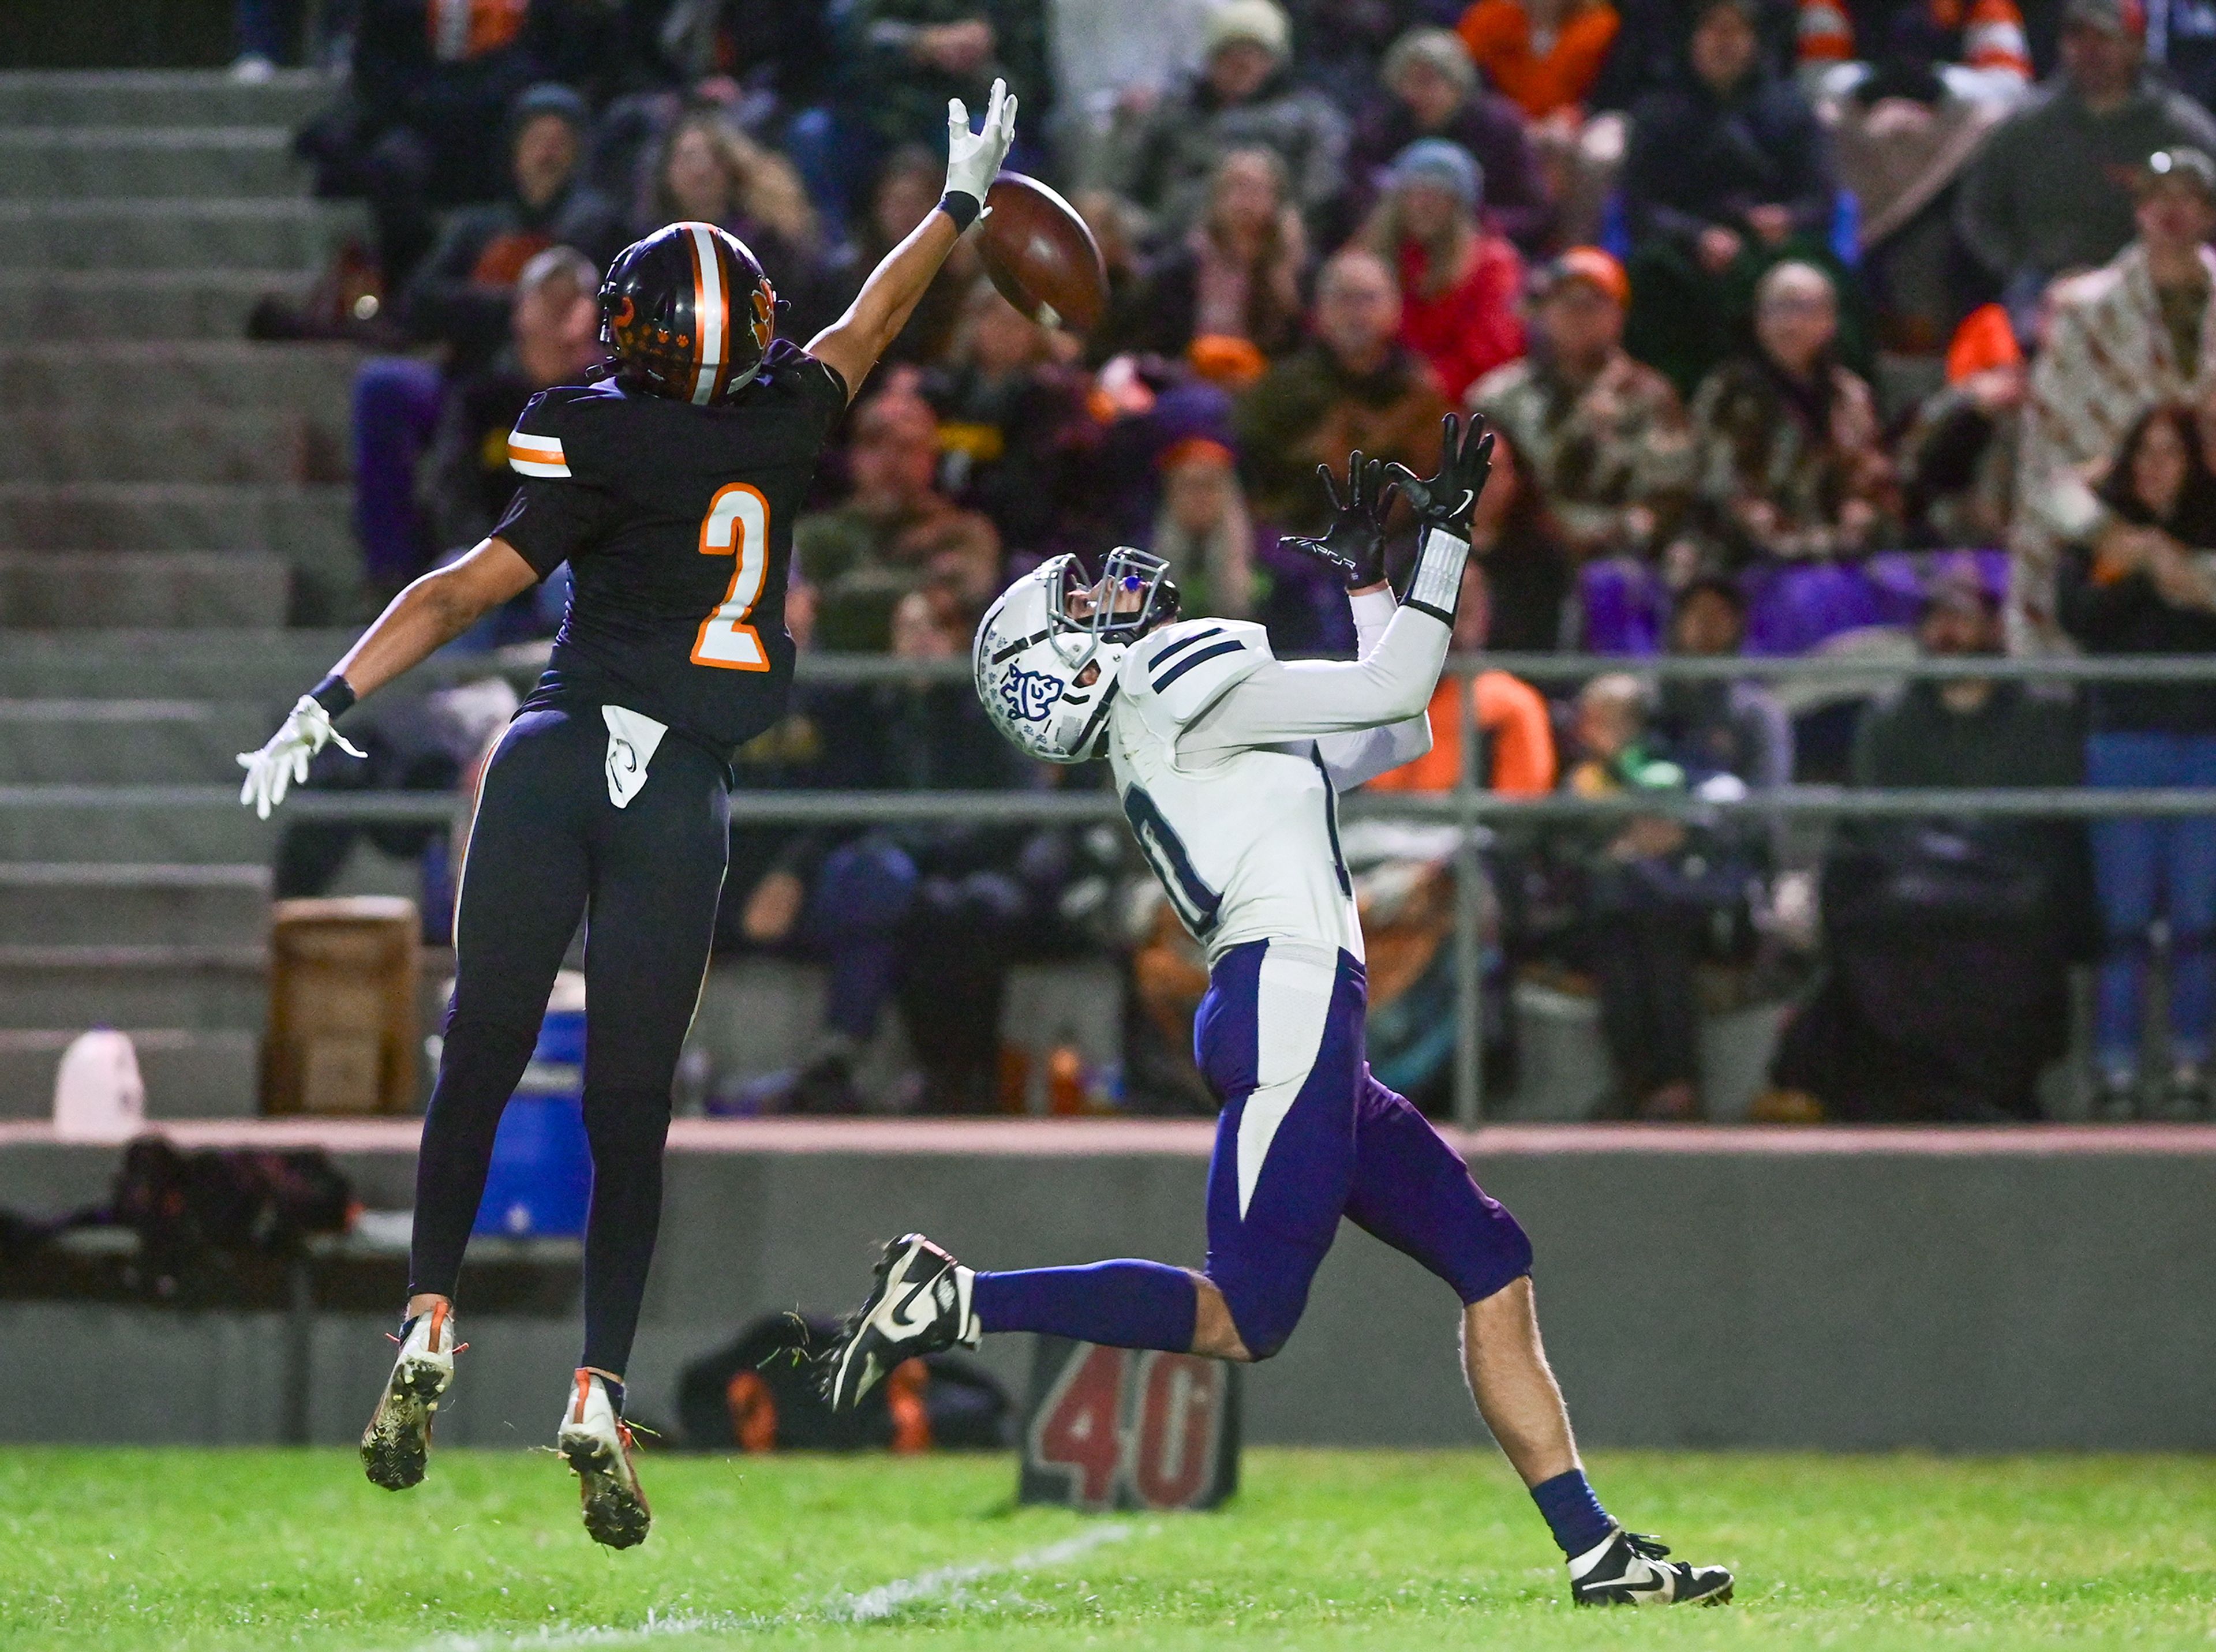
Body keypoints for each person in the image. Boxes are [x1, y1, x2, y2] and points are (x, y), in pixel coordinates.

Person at [235, 81, 1021, 1546]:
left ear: (630, 337)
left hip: (553, 754)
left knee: (478, 1056)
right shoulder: (786, 417)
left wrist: (325, 703)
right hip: (682, 794)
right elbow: (869, 323)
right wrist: (956, 205)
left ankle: (426, 1318)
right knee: (630, 1114)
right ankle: (597, 1383)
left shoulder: (578, 431)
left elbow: (463, 587)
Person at [822, 422, 1735, 1608]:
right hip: (1289, 993)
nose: (1106, 594)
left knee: (1490, 1259)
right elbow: (1403, 685)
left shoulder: (1175, 722)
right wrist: (1447, 540)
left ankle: (1596, 1548)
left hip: (1303, 1008)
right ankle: (956, 1299)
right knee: (1243, 1317)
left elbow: (1390, 729)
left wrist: (1369, 584)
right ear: (1070, 669)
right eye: (1078, 604)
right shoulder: (1166, 679)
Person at [1771, 575, 2084, 1120]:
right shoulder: (1890, 717)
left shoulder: (2037, 718)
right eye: (1938, 618)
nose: (1949, 633)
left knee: (2005, 926)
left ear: (1991, 629)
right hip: (1910, 884)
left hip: (2007, 889)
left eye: (1962, 617)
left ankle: (1984, 1087)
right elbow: (1874, 821)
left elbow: (2044, 823)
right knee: (1886, 922)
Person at [2058, 404, 2216, 1118]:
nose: (2156, 468)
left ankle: (2190, 1064)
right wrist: (2133, 563)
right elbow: (2079, 615)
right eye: (2143, 453)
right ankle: (2114, 1070)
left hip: (2205, 742)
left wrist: (2174, 568)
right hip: (2122, 738)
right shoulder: (2102, 536)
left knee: (2198, 914)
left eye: (2171, 453)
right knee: (2122, 916)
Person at [2013, 148, 2216, 652]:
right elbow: (2050, 452)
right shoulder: (2087, 315)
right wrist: (2108, 532)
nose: (2173, 210)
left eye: (2189, 198)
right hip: (2112, 560)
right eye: (2157, 197)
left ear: (2209, 213)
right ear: (2138, 210)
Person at [1619, 0, 1840, 394]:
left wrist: (1786, 219)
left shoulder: (1791, 110)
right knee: (1652, 277)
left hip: (1770, 247)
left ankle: (1829, 407)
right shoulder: (1656, 112)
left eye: (1736, 32)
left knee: (1816, 281)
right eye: (1713, 31)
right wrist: (1696, 236)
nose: (1725, 43)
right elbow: (1640, 203)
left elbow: (1821, 198)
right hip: (1686, 250)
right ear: (1692, 39)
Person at [1955, 0, 2216, 317]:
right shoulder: (2025, 127)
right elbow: (1977, 210)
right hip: (2046, 283)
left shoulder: (2179, 127)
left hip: (2157, 281)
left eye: (2104, 37)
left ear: (2135, 45)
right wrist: (2018, 266)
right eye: (2077, 36)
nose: (2089, 50)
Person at [1469, 246, 1694, 578]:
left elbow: (1670, 497)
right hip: (1517, 556)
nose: (1578, 315)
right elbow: (1473, 488)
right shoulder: (1499, 396)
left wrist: (1606, 537)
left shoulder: (1650, 397)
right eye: (1565, 303)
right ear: (1544, 313)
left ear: (1619, 315)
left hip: (1615, 556)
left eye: (1593, 304)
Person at [399, 83, 629, 369]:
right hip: (478, 369)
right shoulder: (477, 227)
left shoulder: (601, 228)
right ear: (515, 150)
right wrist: (514, 302)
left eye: (560, 142)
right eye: (537, 140)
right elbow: (418, 301)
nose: (547, 153)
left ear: (578, 155)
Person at [1689, 261, 1895, 567]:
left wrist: (1862, 509)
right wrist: (1759, 521)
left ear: (1830, 321)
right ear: (1758, 320)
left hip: (1837, 555)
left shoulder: (1849, 395)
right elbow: (1716, 487)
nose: (1789, 323)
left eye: (1803, 309)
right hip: (1747, 560)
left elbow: (1871, 476)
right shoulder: (1727, 392)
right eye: (1776, 309)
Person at [1236, 248, 1449, 531]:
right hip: (1296, 540)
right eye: (1344, 299)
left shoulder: (1420, 392)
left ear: (1395, 310)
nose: (1357, 313)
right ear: (1320, 311)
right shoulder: (1282, 390)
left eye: (1369, 299)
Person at [1104, 0, 1350, 236]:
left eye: (1255, 54)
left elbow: (1321, 192)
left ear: (1276, 63)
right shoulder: (1174, 113)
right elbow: (1125, 183)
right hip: (1169, 238)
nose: (1242, 63)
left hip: (1268, 241)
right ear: (1211, 59)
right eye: (1231, 52)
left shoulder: (1309, 119)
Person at [795, 389, 1003, 651]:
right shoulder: (817, 534)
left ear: (931, 456)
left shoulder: (964, 532)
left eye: (906, 447)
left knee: (921, 619)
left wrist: (838, 596)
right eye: (875, 444)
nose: (890, 460)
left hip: (929, 681)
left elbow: (969, 595)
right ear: (854, 456)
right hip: (828, 676)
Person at [1345, 27, 1555, 256]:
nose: (1416, 94)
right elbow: (1358, 192)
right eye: (1407, 81)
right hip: (1396, 246)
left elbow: (1534, 213)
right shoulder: (1381, 127)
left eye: (1428, 81)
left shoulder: (1498, 129)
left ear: (1458, 84)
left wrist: (1474, 226)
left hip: (1478, 249)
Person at [1103, 147, 1309, 364]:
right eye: (1238, 187)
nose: (1246, 201)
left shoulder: (1295, 269)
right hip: (1186, 374)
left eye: (1257, 189)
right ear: (1218, 196)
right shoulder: (1183, 265)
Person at [1362, 139, 1528, 404]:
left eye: (1439, 195)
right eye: (1416, 193)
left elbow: (1495, 346)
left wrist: (1432, 385)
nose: (1425, 204)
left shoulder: (1493, 263)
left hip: (1459, 404)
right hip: (1372, 390)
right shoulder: (1368, 254)